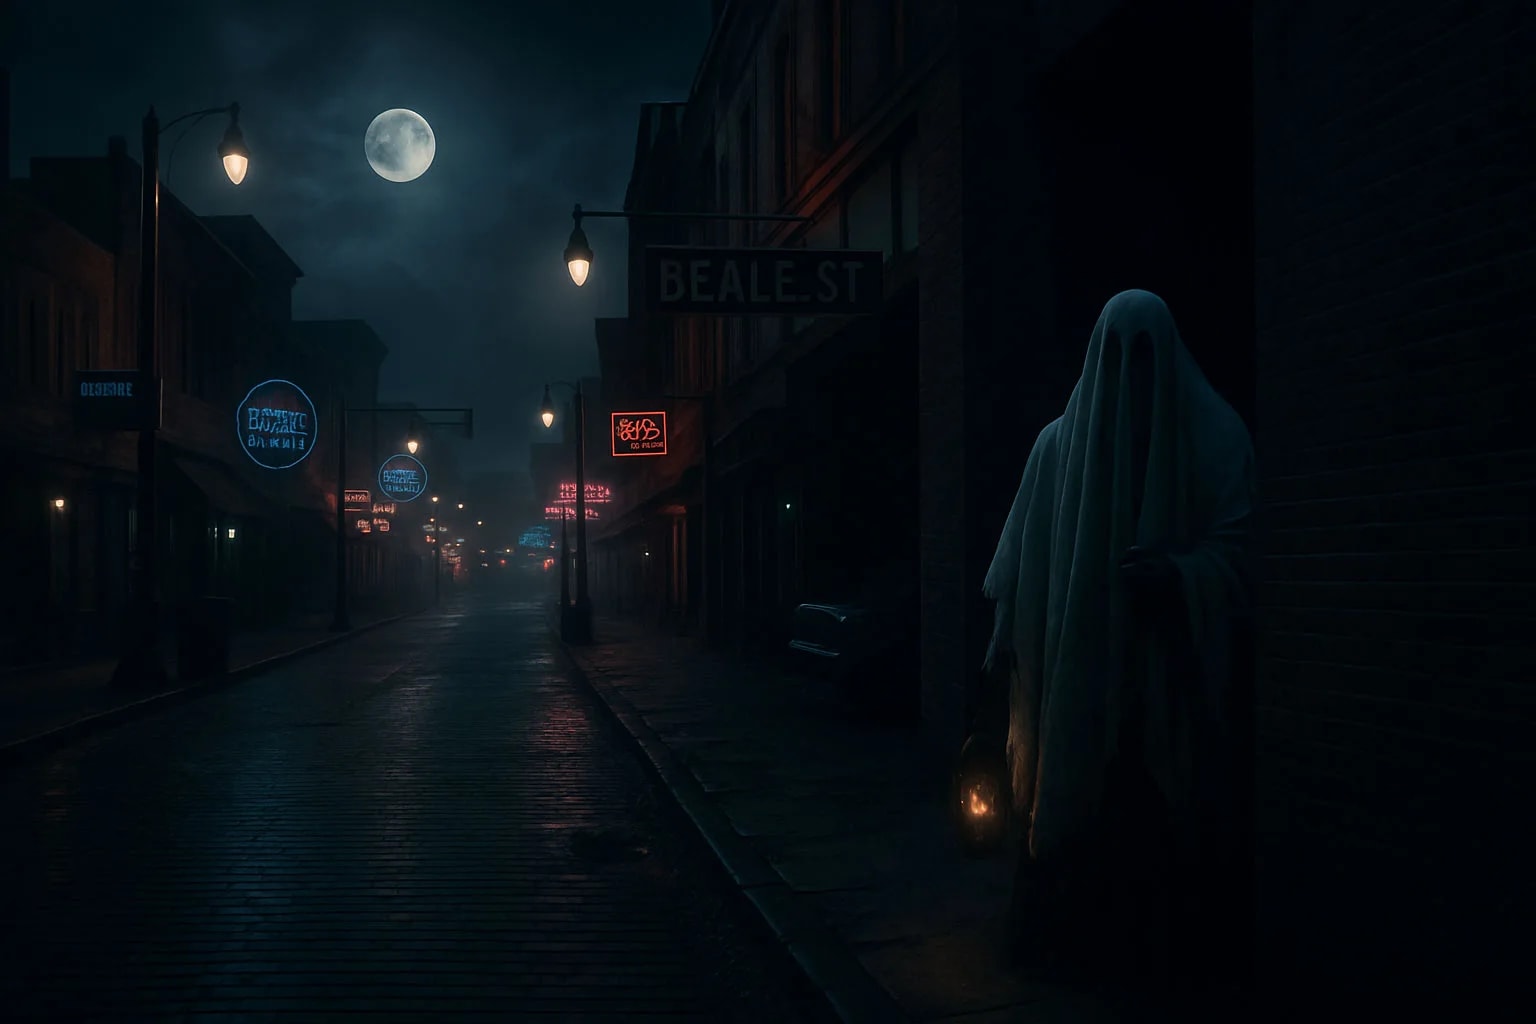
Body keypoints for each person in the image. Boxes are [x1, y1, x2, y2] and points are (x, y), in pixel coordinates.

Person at [982, 289, 1255, 986]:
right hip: (1078, 674)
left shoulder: (1212, 437)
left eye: (1143, 355)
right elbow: (1020, 565)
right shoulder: (1058, 447)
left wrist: (1181, 578)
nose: (1130, 374)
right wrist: (1016, 647)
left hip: (1165, 677)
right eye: (1117, 354)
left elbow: (1242, 551)